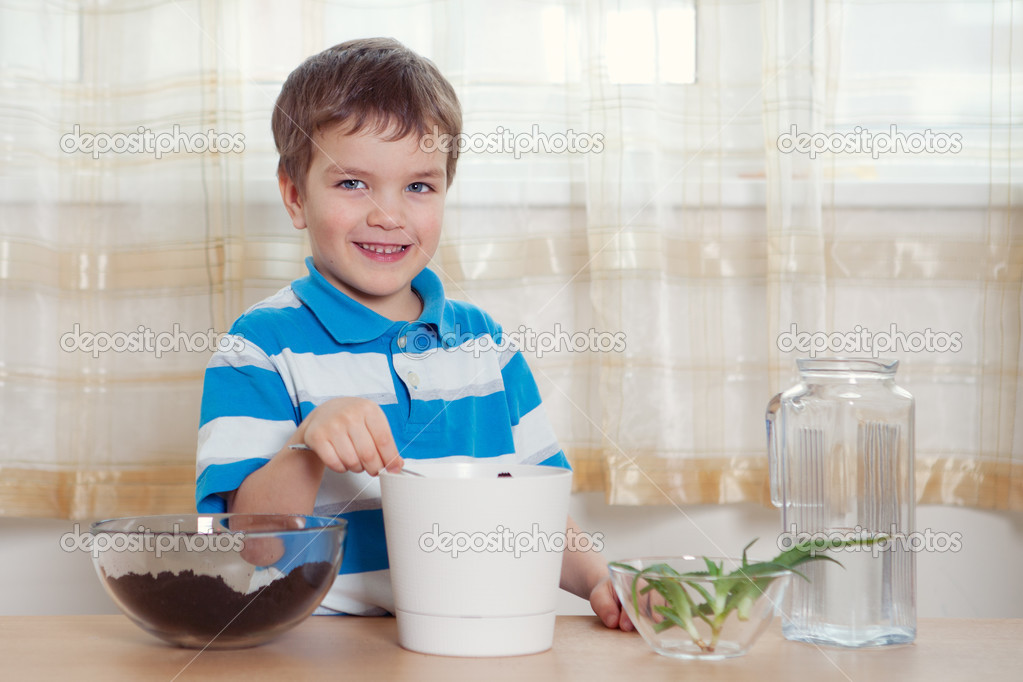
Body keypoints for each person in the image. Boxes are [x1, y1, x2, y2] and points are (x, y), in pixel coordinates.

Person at [196, 37, 630, 630]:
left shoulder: (487, 347)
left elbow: (536, 512)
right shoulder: (259, 348)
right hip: (316, 648)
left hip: (467, 639)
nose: (388, 215)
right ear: (296, 195)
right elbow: (251, 545)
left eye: (419, 186)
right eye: (352, 183)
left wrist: (601, 581)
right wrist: (305, 447)